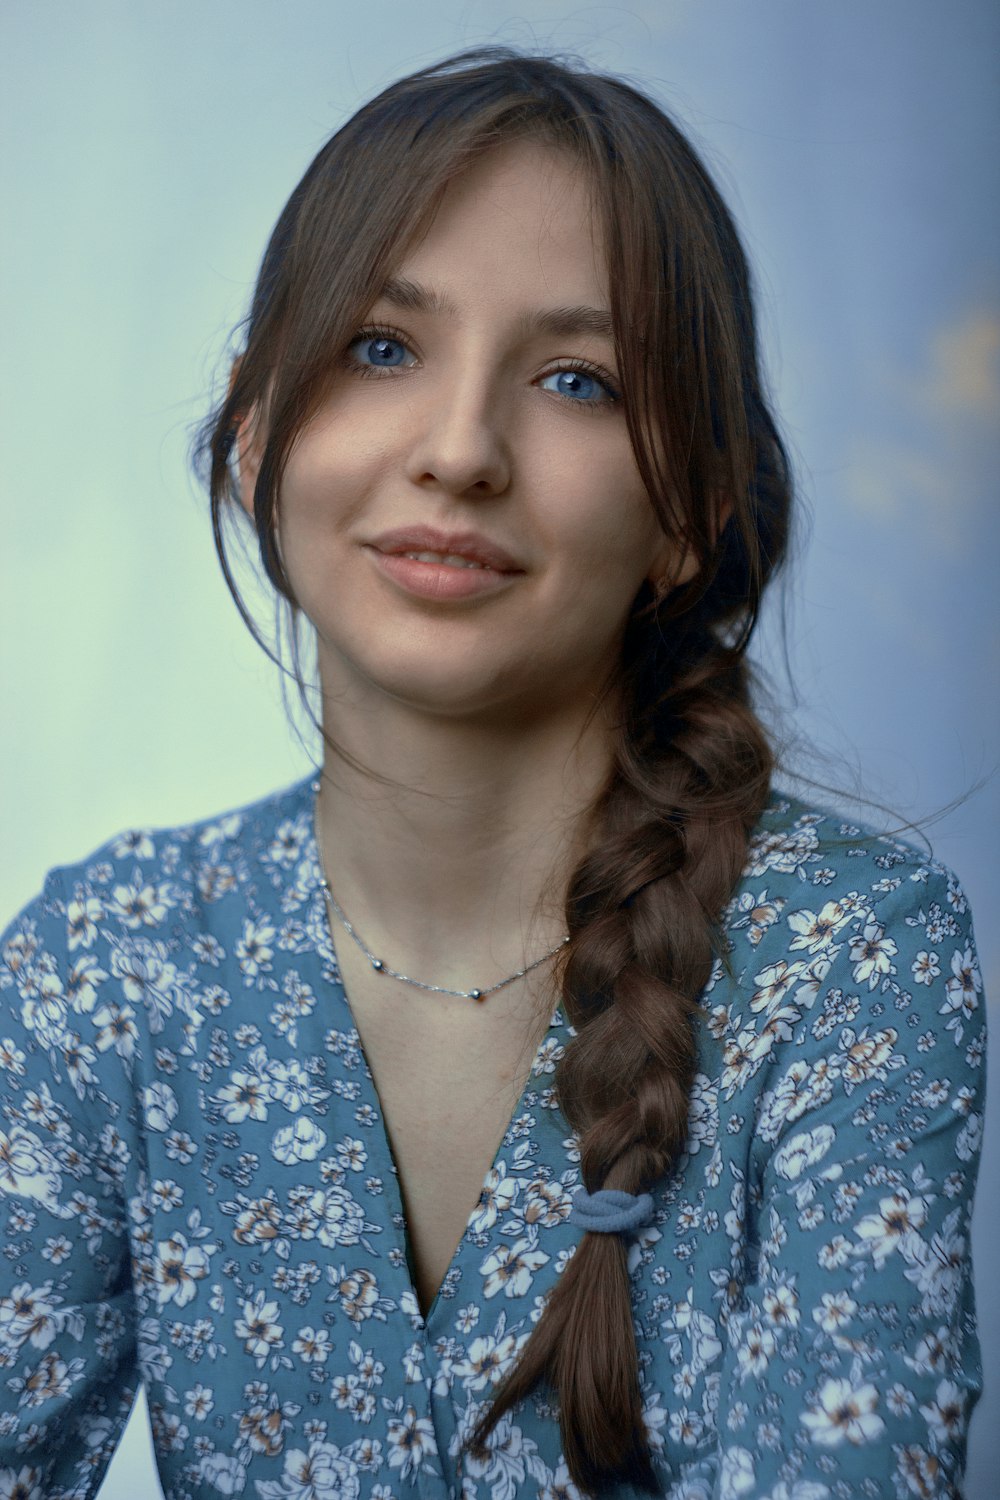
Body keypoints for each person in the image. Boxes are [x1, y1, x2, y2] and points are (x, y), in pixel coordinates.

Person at [0, 47, 985, 1500]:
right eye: (382, 349)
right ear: (255, 431)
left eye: (578, 380)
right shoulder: (106, 964)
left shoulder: (852, 966)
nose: (460, 451)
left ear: (690, 515)